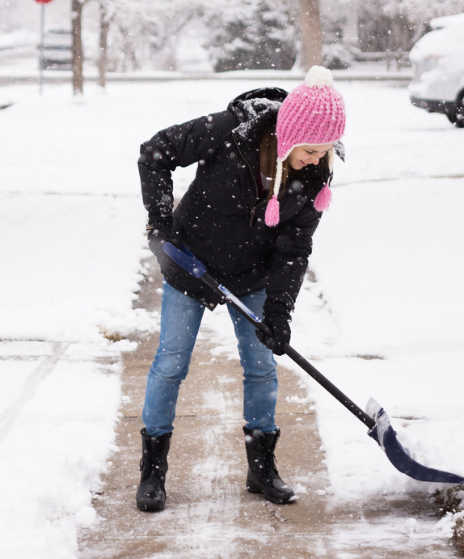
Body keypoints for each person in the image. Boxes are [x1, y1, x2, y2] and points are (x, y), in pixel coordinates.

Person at [135, 66, 346, 512]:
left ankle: (262, 467)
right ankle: (153, 471)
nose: (316, 160)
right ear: (288, 137)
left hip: (253, 276)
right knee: (171, 363)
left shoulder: (314, 177)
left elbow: (294, 249)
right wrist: (159, 219)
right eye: (310, 150)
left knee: (261, 365)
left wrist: (279, 313)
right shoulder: (229, 132)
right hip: (190, 263)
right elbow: (156, 152)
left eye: (325, 152)